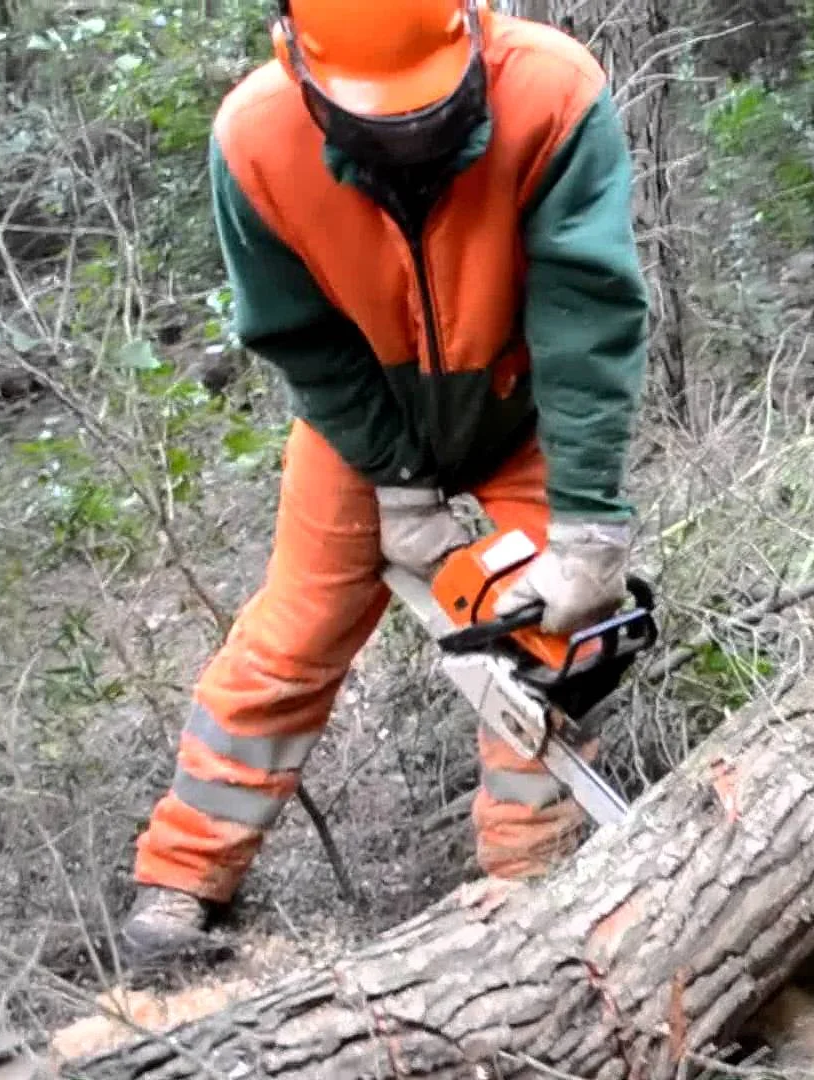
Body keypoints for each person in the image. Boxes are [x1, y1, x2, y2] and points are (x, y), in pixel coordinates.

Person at [117, 0, 651, 962]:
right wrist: (399, 483)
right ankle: (180, 879)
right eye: (380, 121)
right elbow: (303, 340)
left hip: (520, 406)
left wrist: (587, 525)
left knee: (550, 641)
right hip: (361, 422)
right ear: (297, 58)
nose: (407, 138)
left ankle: (533, 887)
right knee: (295, 636)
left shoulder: (553, 95)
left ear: (472, 27)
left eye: (424, 116)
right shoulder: (256, 139)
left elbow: (587, 317)